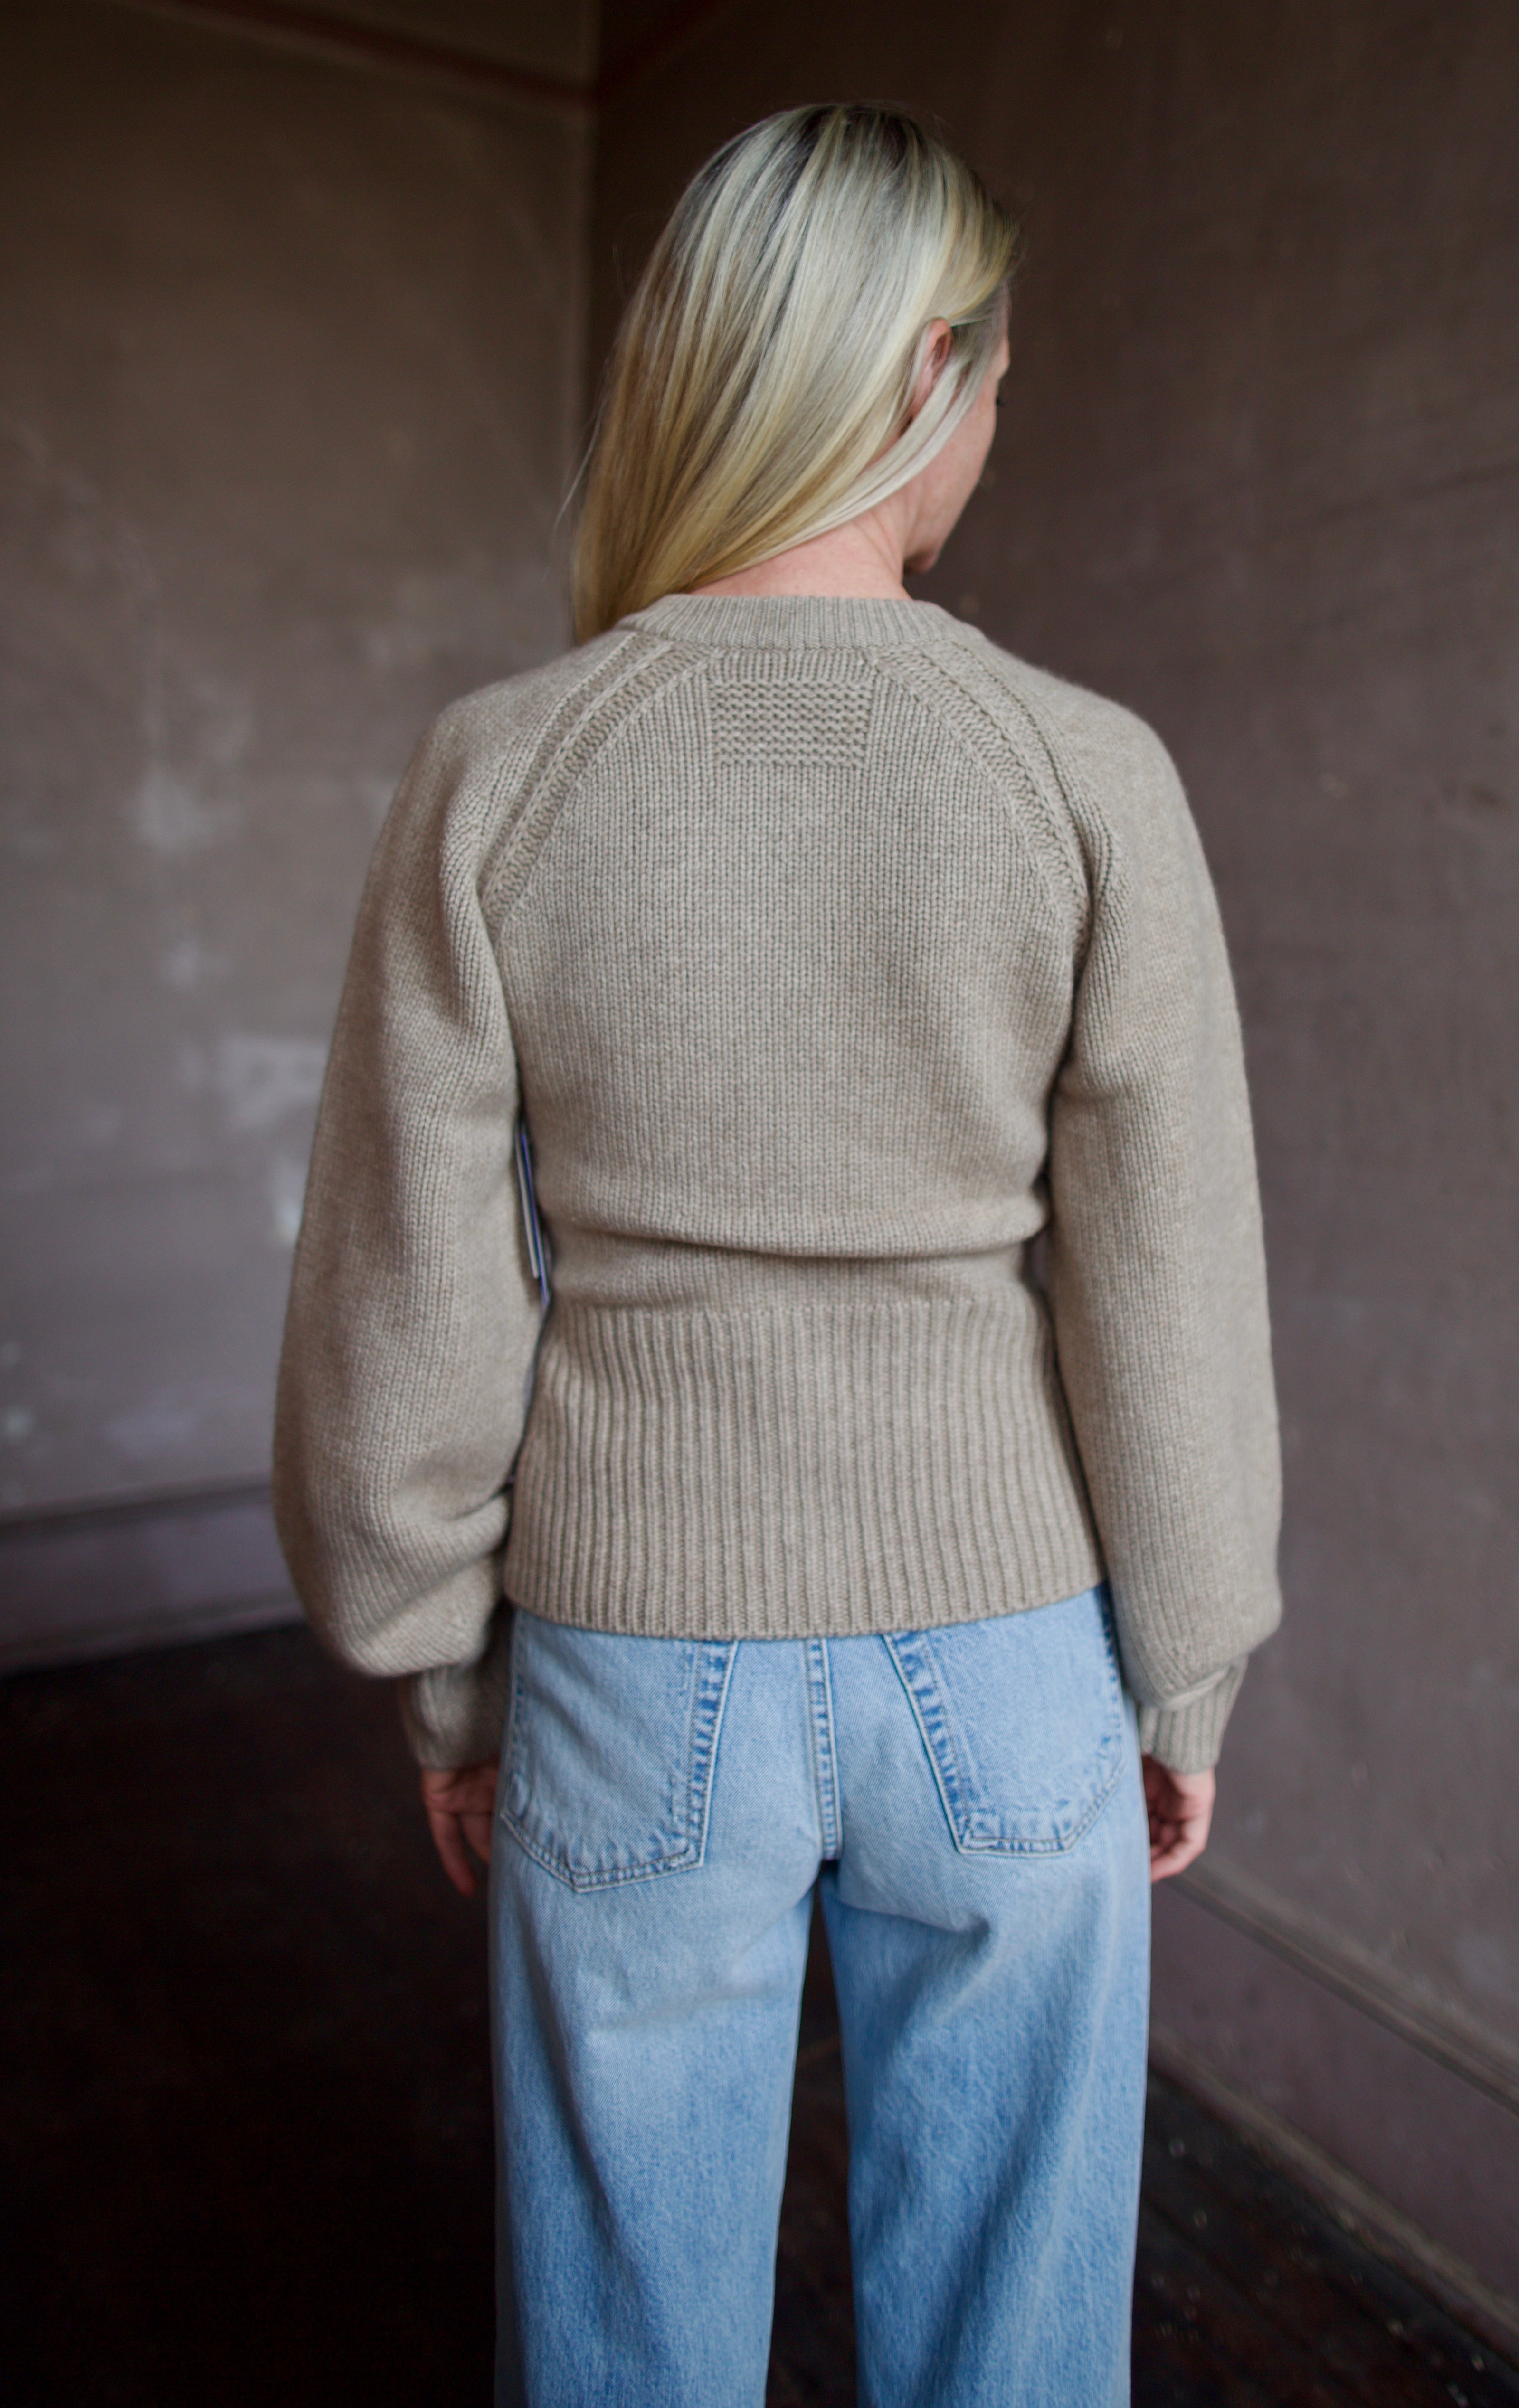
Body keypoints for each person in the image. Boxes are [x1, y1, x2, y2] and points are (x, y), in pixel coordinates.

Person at [274, 103, 1281, 2408]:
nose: (998, 422)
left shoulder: (503, 770)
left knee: (621, 2345)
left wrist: (444, 1678)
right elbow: (1169, 1287)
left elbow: (405, 1301)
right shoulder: (1084, 771)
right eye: (998, 374)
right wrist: (1185, 1672)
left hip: (632, 1665)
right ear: (925, 368)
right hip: (1014, 1665)